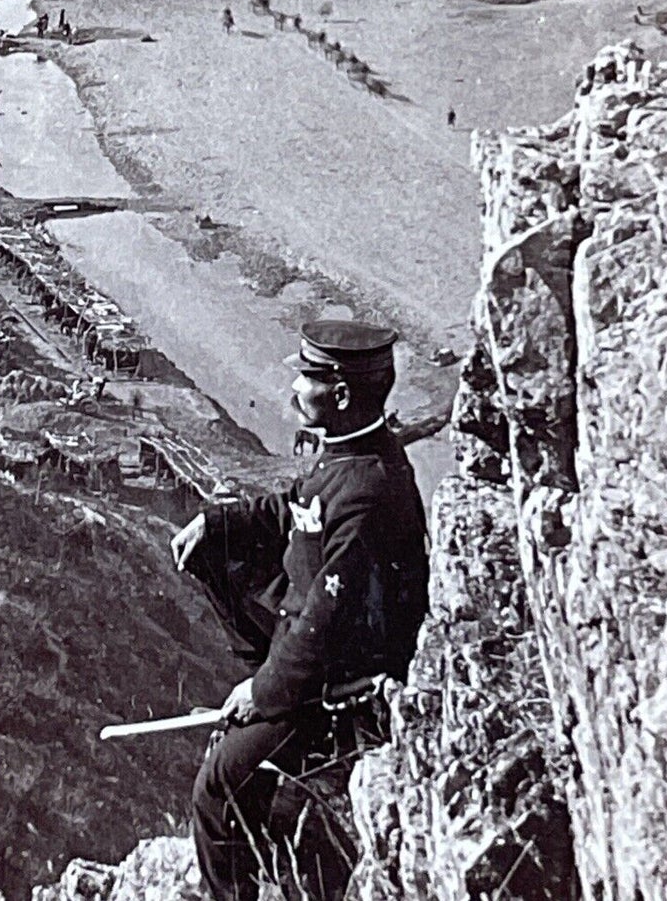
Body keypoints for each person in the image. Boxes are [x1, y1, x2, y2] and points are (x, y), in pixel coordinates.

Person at [171, 319, 429, 901]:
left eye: (306, 381)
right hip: (314, 661)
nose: (292, 393)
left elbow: (325, 625)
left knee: (216, 788)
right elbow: (296, 509)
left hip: (339, 686)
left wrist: (260, 692)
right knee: (243, 776)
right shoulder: (347, 456)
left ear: (339, 393)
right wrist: (219, 523)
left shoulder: (367, 489)